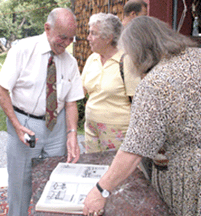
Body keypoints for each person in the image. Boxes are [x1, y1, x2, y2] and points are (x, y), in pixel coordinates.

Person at [83, 16, 200, 216]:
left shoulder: (155, 84)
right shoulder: (197, 56)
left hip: (185, 178)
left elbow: (134, 148)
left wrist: (100, 190)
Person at [0, 7, 84, 216]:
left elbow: (72, 102)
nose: (66, 44)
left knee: (54, 181)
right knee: (20, 183)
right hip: (25, 123)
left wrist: (72, 133)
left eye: (71, 39)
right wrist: (17, 126)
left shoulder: (70, 61)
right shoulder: (23, 50)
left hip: (58, 125)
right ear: (47, 28)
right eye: (62, 37)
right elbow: (2, 89)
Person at [81, 13, 139, 153]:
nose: (88, 38)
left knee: (115, 171)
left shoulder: (127, 60)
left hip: (118, 131)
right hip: (91, 129)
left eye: (93, 34)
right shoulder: (92, 59)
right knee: (93, 168)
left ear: (108, 38)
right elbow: (80, 91)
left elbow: (137, 101)